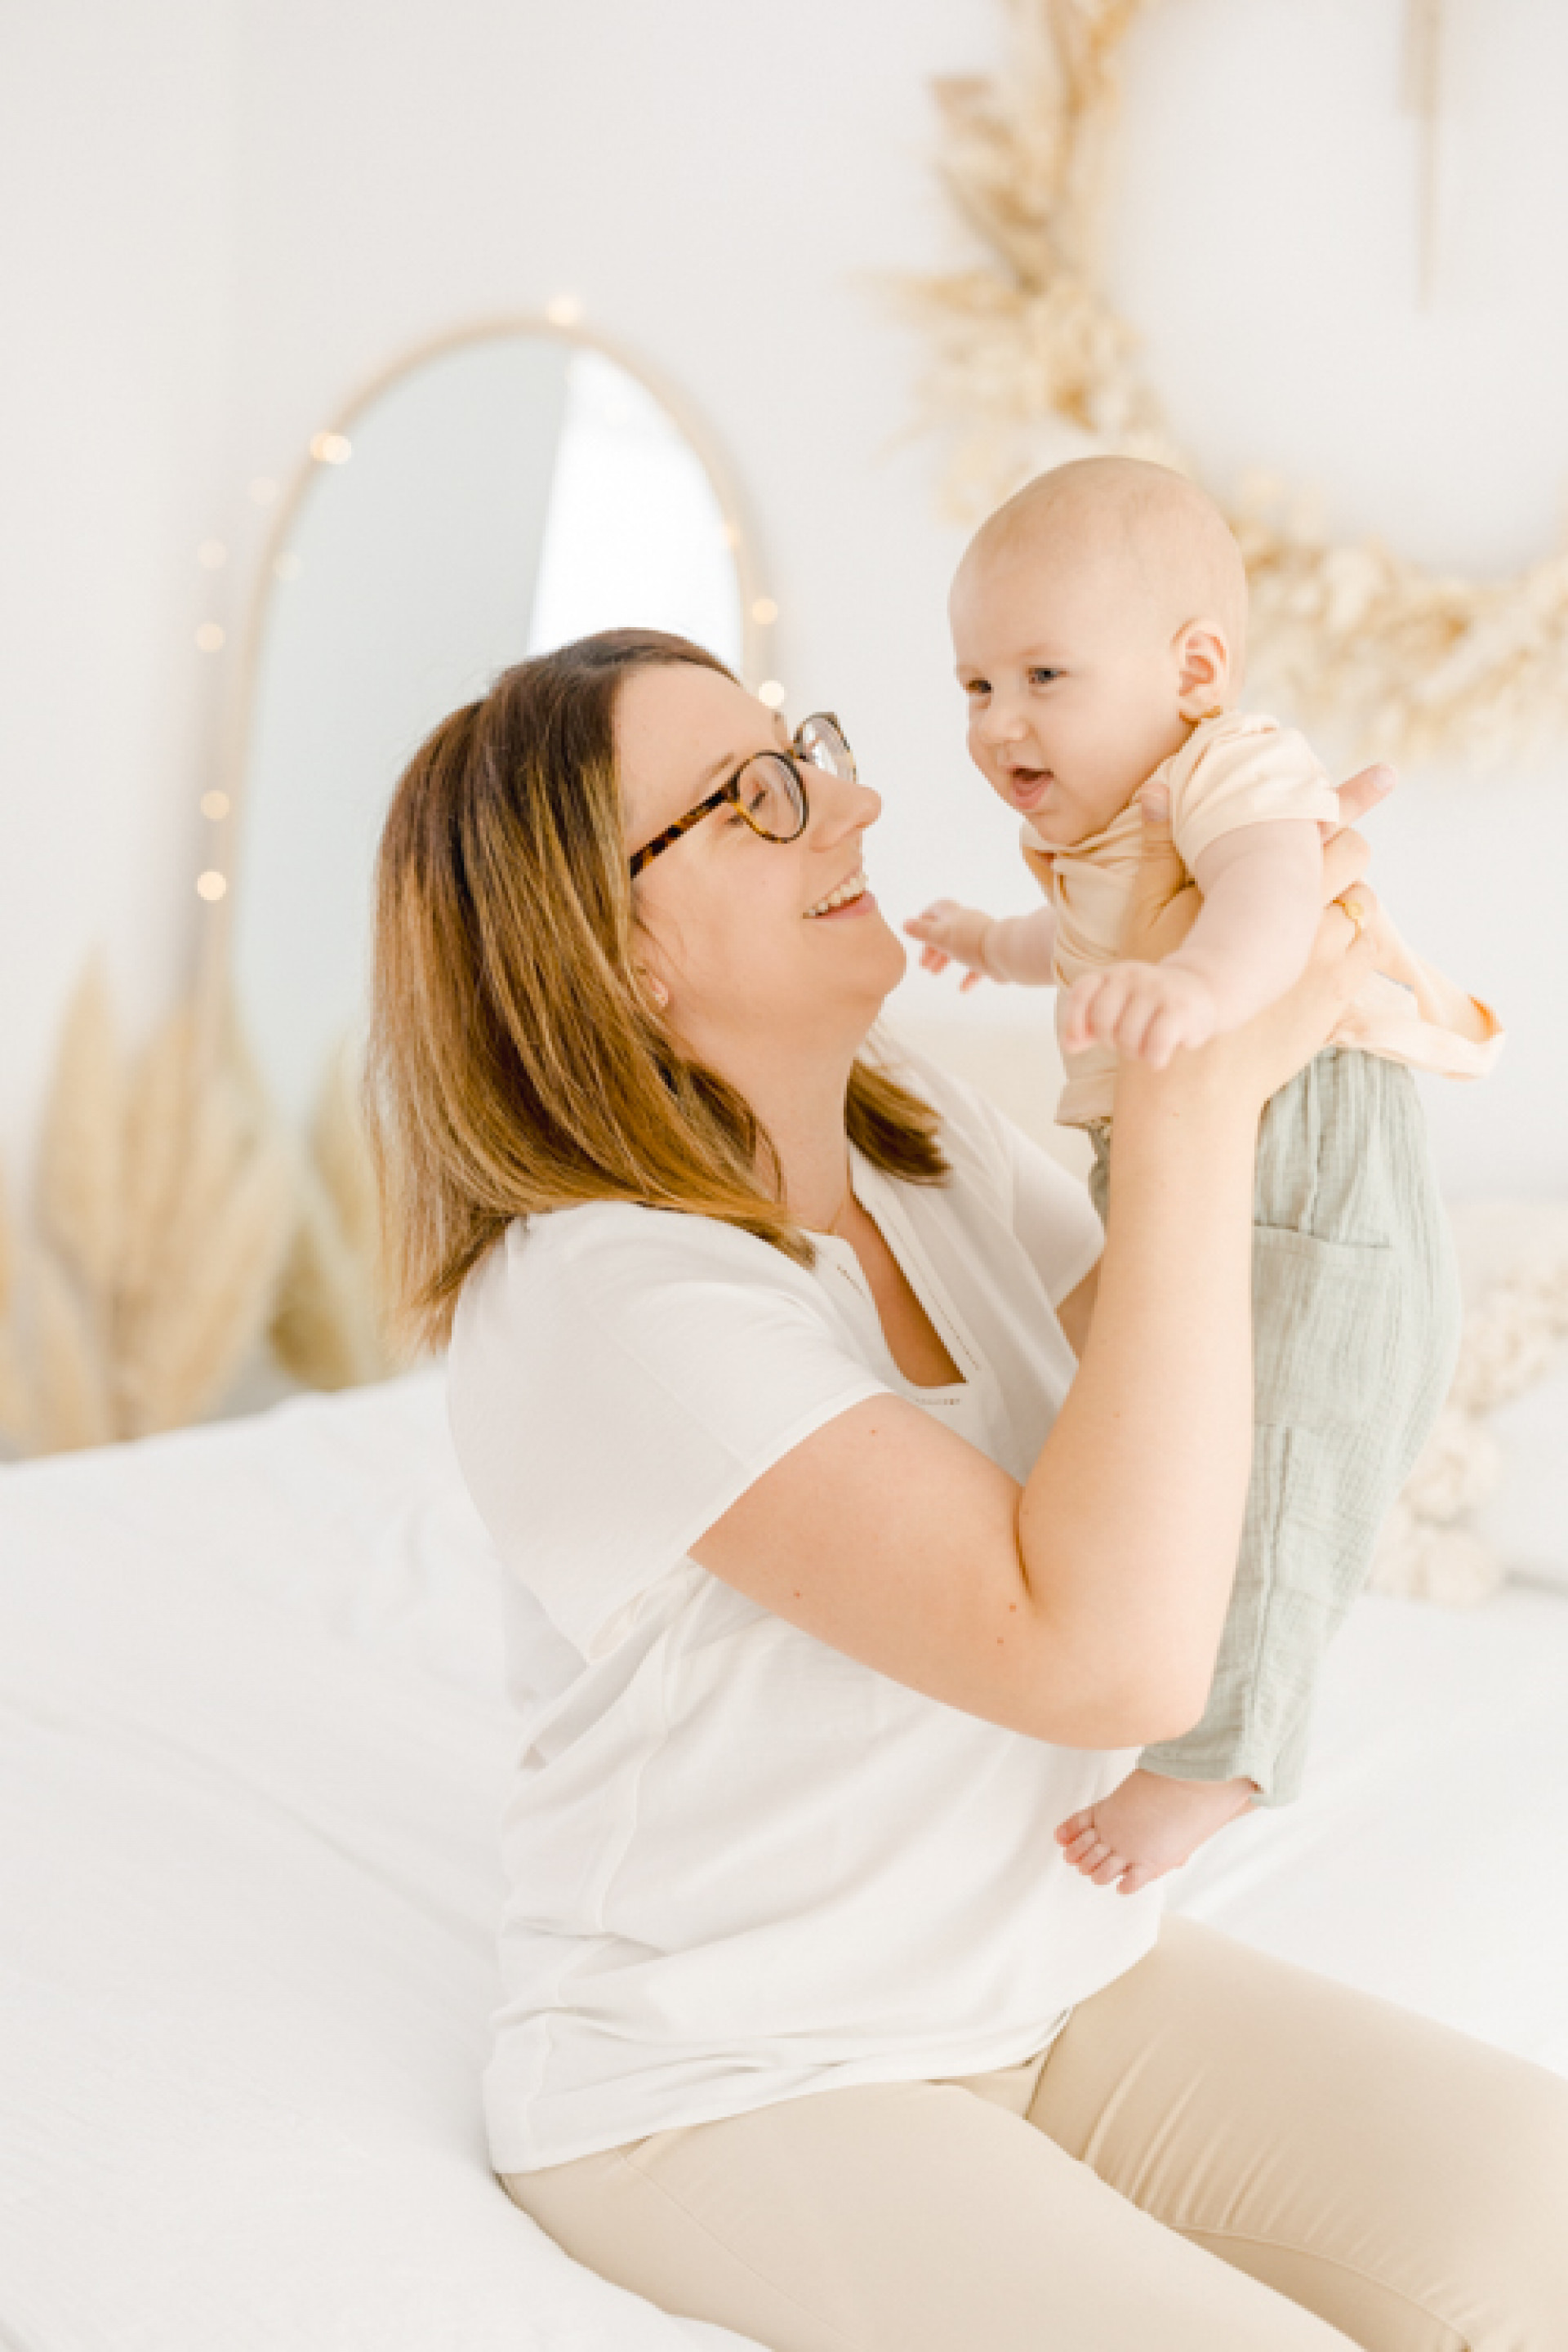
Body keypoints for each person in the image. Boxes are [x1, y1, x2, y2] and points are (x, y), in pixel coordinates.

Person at [366, 626, 1568, 2352]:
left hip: (1050, 1979)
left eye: (816, 751)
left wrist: (1260, 1006)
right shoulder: (602, 1297)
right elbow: (1112, 1660)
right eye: (757, 798)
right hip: (744, 2070)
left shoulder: (910, 1126)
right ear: (610, 947)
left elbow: (1186, 1425)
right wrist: (1192, 1108)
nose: (851, 803)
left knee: (1541, 2197)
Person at [904, 456, 1503, 1895]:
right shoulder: (1094, 835)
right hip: (1204, 1179)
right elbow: (1088, 940)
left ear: (1196, 667)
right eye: (976, 686)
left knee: (1280, 1470)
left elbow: (1274, 889)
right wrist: (989, 943)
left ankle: (1222, 1760)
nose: (1001, 723)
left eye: (1045, 673)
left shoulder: (1232, 765)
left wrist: (1203, 990)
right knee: (1177, 1461)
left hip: (1312, 1185)